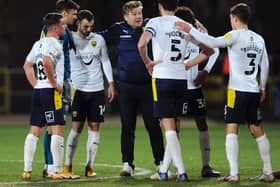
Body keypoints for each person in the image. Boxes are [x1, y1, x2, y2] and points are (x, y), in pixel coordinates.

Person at [176, 3, 274, 182]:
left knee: (232, 129)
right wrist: (262, 88)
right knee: (257, 129)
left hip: (236, 91)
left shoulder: (234, 36)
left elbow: (213, 43)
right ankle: (268, 172)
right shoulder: (259, 39)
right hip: (253, 90)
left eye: (231, 18)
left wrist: (190, 29)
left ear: (235, 18)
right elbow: (265, 64)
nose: (230, 22)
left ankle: (234, 174)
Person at [138, 0, 214, 181]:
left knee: (169, 127)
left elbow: (141, 44)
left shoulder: (155, 22)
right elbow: (209, 50)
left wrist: (148, 62)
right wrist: (188, 64)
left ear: (159, 6)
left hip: (162, 78)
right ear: (176, 6)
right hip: (181, 80)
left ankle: (181, 171)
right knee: (174, 124)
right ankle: (164, 170)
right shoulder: (185, 25)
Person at [100, 1, 165, 176]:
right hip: (126, 87)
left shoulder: (151, 25)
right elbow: (97, 39)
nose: (138, 16)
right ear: (125, 16)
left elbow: (168, 23)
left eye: (140, 13)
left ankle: (160, 162)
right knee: (127, 126)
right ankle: (127, 163)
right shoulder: (117, 29)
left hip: (148, 86)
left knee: (153, 125)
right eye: (134, 13)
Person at [156, 6, 221, 178]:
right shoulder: (193, 32)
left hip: (189, 86)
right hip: (181, 86)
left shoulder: (191, 31)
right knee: (174, 127)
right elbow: (214, 49)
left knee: (193, 124)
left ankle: (205, 166)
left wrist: (205, 70)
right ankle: (172, 168)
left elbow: (215, 50)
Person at [62, 9, 115, 178]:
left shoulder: (98, 39)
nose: (89, 29)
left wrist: (111, 83)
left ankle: (89, 166)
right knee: (76, 127)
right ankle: (67, 165)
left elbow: (105, 60)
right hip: (78, 90)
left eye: (91, 26)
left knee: (95, 127)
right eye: (85, 26)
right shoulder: (69, 38)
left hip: (97, 90)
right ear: (78, 23)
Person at [21, 12, 66, 180]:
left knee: (35, 130)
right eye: (62, 24)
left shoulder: (38, 44)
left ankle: (27, 170)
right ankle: (56, 170)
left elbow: (27, 66)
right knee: (58, 128)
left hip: (39, 91)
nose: (65, 27)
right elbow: (47, 62)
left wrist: (36, 85)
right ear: (55, 27)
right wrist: (54, 84)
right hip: (50, 92)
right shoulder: (54, 44)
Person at [40, 0, 79, 178]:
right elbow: (46, 58)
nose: (75, 17)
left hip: (64, 82)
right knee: (55, 125)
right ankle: (51, 167)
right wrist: (56, 82)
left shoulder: (65, 32)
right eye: (73, 14)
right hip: (57, 84)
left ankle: (51, 167)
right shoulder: (54, 32)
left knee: (55, 125)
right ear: (64, 13)